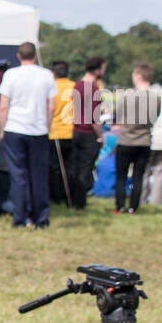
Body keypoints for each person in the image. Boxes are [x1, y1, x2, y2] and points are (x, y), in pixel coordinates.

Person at [0, 41, 57, 228]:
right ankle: (40, 218)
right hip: (38, 130)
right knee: (38, 176)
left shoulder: (11, 75)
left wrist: (2, 129)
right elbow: (51, 106)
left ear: (18, 56)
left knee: (18, 176)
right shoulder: (46, 75)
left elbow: (3, 106)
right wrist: (46, 127)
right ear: (35, 55)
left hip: (14, 128)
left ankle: (19, 218)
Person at [112, 63, 159, 214]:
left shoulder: (126, 96)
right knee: (138, 177)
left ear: (138, 76)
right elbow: (155, 117)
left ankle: (120, 206)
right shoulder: (155, 98)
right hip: (144, 141)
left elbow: (116, 116)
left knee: (121, 176)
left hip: (126, 140)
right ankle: (134, 207)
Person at [66, 56, 107, 209]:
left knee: (74, 168)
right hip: (88, 134)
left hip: (75, 131)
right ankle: (79, 202)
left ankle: (70, 200)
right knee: (85, 169)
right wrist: (100, 136)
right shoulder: (93, 89)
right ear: (97, 70)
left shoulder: (77, 86)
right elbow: (94, 118)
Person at [48, 60, 75, 204]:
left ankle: (55, 197)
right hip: (71, 133)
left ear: (54, 73)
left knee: (54, 169)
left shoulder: (52, 88)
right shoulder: (74, 87)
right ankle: (68, 196)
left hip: (54, 133)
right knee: (70, 168)